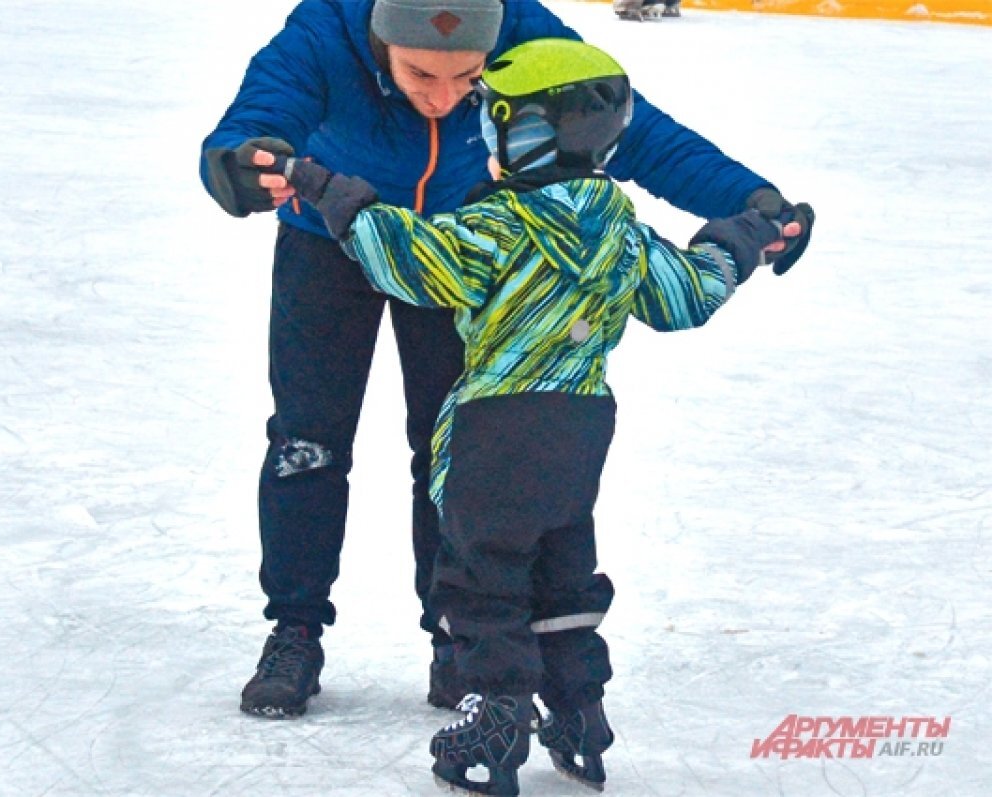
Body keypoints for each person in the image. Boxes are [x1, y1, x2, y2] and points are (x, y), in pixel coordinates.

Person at [199, 0, 815, 720]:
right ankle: (295, 630)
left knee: (455, 457)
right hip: (328, 243)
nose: (443, 98)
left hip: (466, 256)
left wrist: (749, 198)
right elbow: (260, 114)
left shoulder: (520, 27)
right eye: (419, 74)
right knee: (307, 442)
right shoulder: (327, 29)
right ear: (380, 43)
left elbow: (635, 132)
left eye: (469, 79)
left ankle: (454, 638)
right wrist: (240, 161)